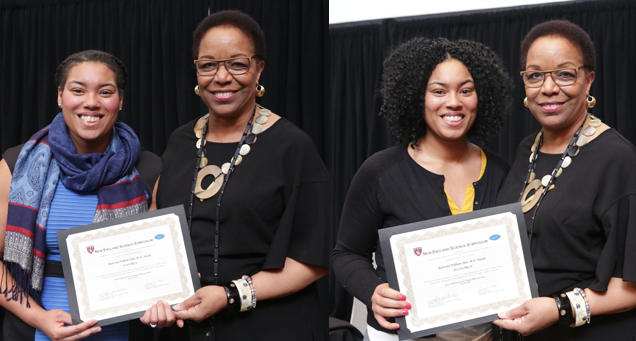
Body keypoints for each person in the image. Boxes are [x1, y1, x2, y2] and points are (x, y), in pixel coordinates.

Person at [141, 10, 329, 340]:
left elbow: (312, 260)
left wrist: (229, 295)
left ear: (259, 68)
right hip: (186, 328)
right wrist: (160, 289)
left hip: (271, 327)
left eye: (238, 64)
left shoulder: (292, 147)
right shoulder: (180, 141)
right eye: (208, 64)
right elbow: (156, 222)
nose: (222, 77)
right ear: (196, 70)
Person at [333, 37, 513, 341]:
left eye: (465, 90)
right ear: (417, 97)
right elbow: (347, 253)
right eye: (438, 91)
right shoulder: (380, 172)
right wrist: (374, 291)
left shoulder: (502, 172)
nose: (454, 102)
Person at [494, 20, 636, 340]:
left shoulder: (616, 159)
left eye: (565, 73)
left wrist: (559, 307)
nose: (548, 88)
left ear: (589, 80)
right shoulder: (526, 149)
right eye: (535, 75)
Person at [0, 50, 161, 340]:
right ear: (60, 96)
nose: (91, 102)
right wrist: (39, 319)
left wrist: (170, 295)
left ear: (120, 101)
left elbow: (157, 267)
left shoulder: (149, 169)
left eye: (105, 92)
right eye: (78, 90)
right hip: (34, 331)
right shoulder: (15, 165)